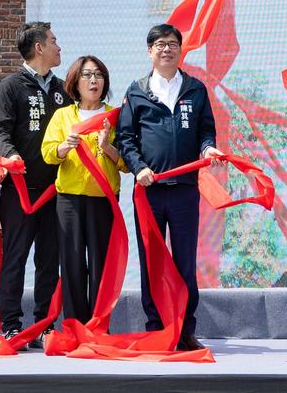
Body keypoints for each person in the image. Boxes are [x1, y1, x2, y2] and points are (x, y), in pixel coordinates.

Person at [115, 22, 220, 352]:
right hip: (149, 191)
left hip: (185, 191)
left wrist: (207, 149)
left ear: (180, 49)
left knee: (185, 262)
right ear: (150, 51)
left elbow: (206, 130)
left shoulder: (195, 89)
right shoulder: (136, 91)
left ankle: (186, 329)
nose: (166, 49)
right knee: (151, 261)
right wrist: (139, 167)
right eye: (159, 44)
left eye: (172, 43)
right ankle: (156, 327)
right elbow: (126, 139)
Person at [0, 21, 68, 344]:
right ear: (39, 48)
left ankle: (45, 325)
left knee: (49, 261)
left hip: (55, 191)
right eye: (53, 41)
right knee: (15, 258)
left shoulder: (64, 89)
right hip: (19, 191)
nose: (58, 47)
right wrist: (9, 155)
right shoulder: (11, 86)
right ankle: (10, 324)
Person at [41, 54, 123, 325]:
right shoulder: (63, 115)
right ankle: (75, 327)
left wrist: (108, 148)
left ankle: (99, 327)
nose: (93, 80)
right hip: (70, 200)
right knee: (73, 264)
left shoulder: (114, 116)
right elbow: (48, 153)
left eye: (98, 75)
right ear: (75, 82)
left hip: (104, 199)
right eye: (87, 75)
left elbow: (126, 162)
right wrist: (65, 147)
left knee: (101, 265)